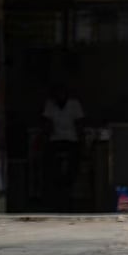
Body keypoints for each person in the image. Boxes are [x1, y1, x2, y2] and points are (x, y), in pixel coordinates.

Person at [42, 83, 84, 211]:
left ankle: (69, 191)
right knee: (51, 165)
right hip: (55, 140)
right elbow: (47, 124)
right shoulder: (50, 105)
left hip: (71, 140)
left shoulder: (74, 104)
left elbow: (79, 125)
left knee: (73, 165)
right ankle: (54, 194)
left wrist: (82, 143)